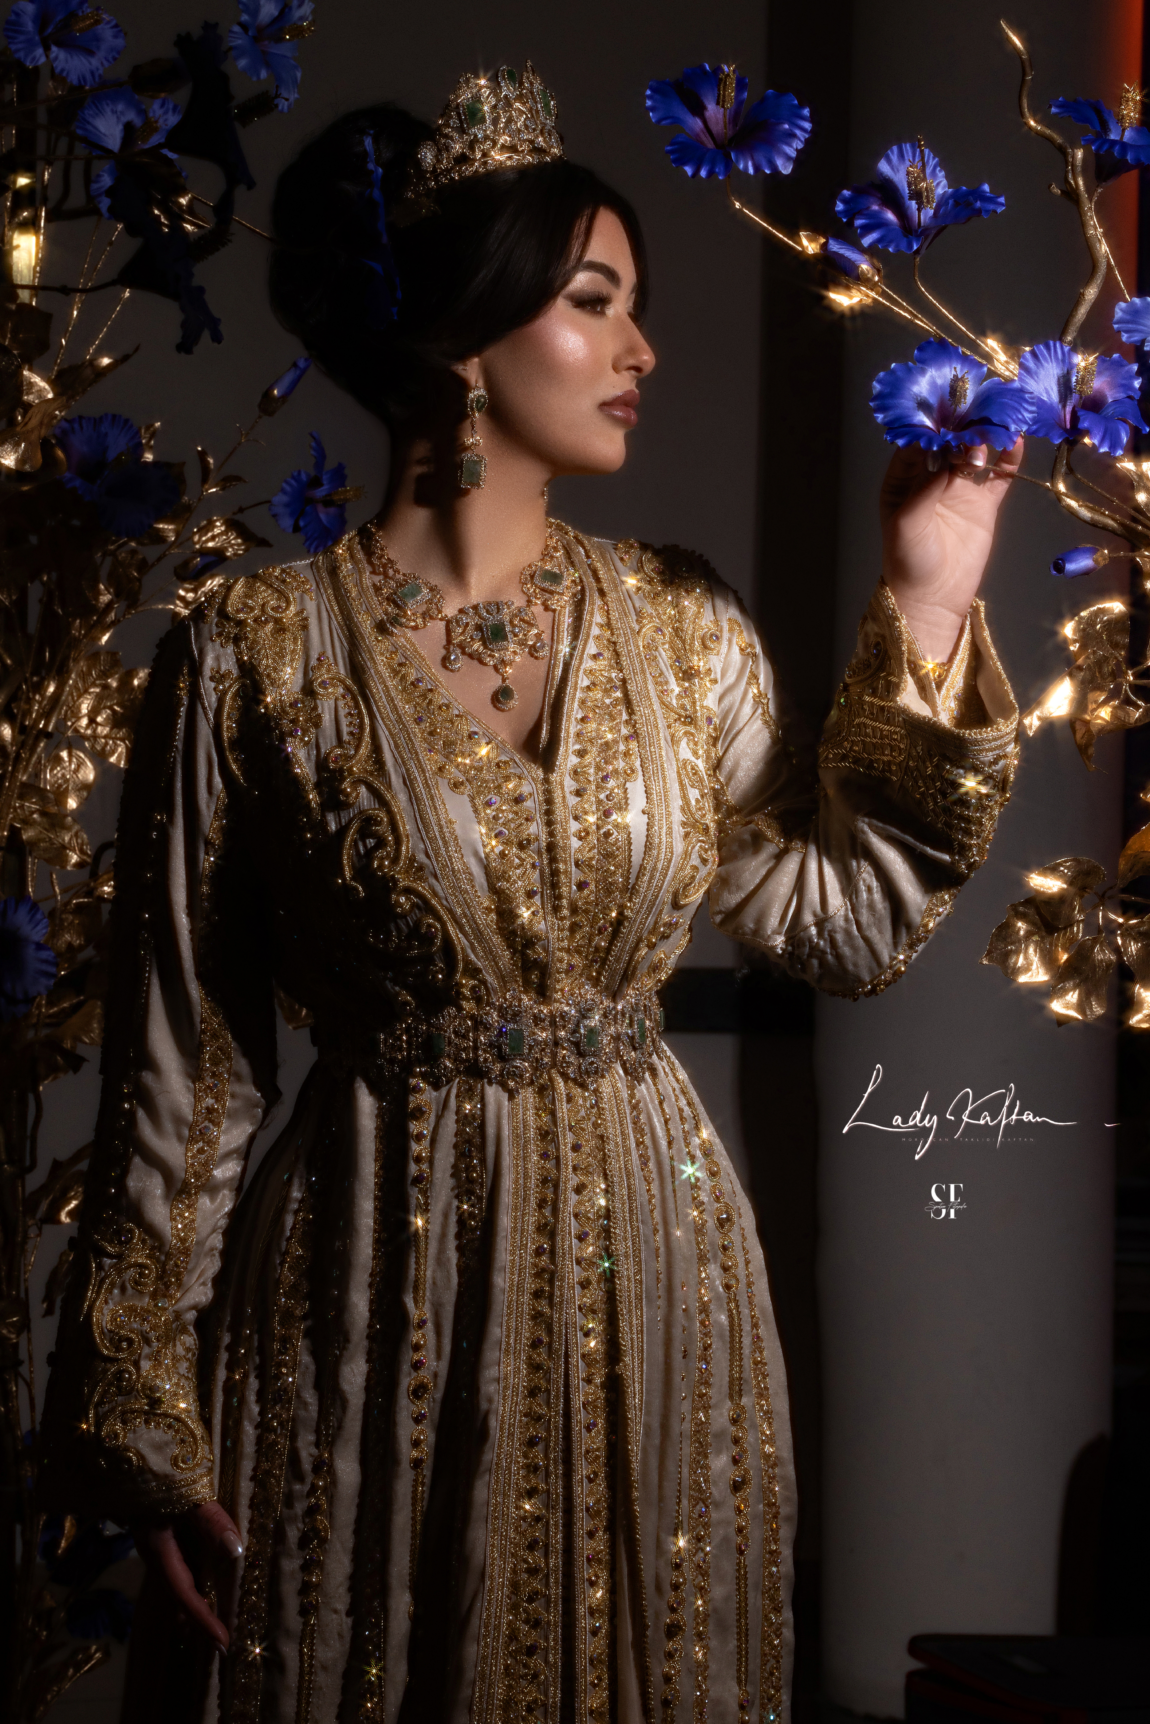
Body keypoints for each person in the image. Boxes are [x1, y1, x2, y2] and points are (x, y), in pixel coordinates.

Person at [41, 63, 1020, 1724]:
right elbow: (184, 1070)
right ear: (458, 336)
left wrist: (929, 599)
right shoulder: (253, 657)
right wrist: (141, 1424)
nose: (642, 352)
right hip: (363, 1279)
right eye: (593, 302)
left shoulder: (681, 627)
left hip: (657, 1273)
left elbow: (843, 923)